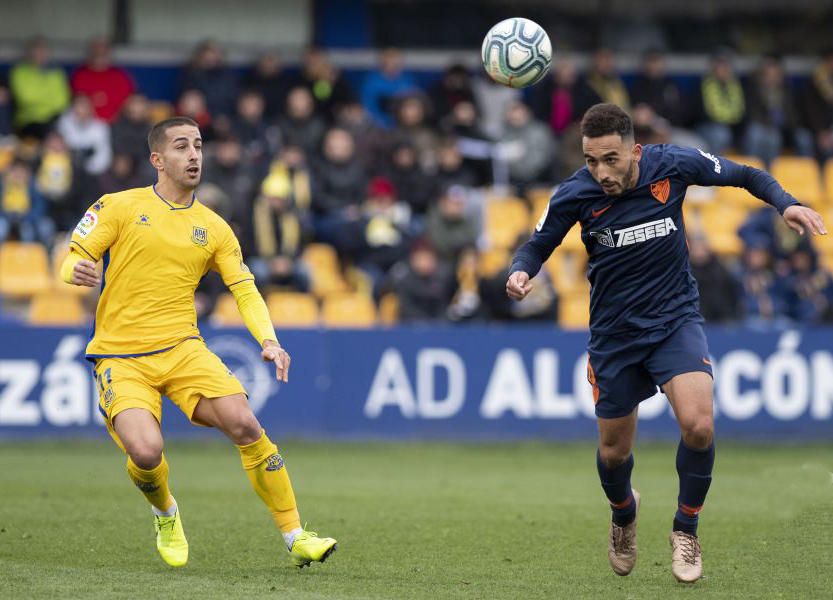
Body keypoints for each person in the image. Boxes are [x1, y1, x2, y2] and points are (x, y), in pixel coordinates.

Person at [506, 103, 827, 583]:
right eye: (591, 160)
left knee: (698, 426)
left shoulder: (672, 164)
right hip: (614, 336)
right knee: (614, 453)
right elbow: (538, 243)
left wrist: (786, 202)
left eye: (610, 159)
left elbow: (745, 174)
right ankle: (622, 513)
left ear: (634, 150)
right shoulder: (575, 193)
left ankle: (686, 529)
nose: (601, 172)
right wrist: (520, 270)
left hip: (674, 319)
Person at [59, 117, 337, 569]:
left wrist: (269, 340)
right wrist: (76, 271)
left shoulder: (214, 227)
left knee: (245, 424)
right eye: (182, 147)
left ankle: (295, 534)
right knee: (146, 452)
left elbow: (243, 288)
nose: (194, 155)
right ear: (157, 159)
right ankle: (165, 512)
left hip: (183, 349)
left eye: (199, 146)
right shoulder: (119, 206)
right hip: (120, 355)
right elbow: (72, 257)